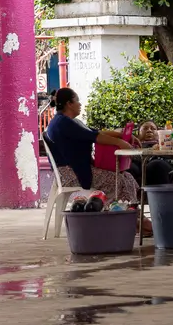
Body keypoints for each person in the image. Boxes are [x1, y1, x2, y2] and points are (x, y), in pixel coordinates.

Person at [44, 88, 150, 233]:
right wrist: (120, 143)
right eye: (77, 101)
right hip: (71, 173)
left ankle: (133, 215)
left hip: (77, 169)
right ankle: (121, 218)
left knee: (127, 176)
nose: (80, 104)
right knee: (117, 180)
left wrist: (121, 136)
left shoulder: (68, 122)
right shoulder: (63, 123)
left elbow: (93, 132)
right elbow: (95, 137)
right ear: (69, 104)